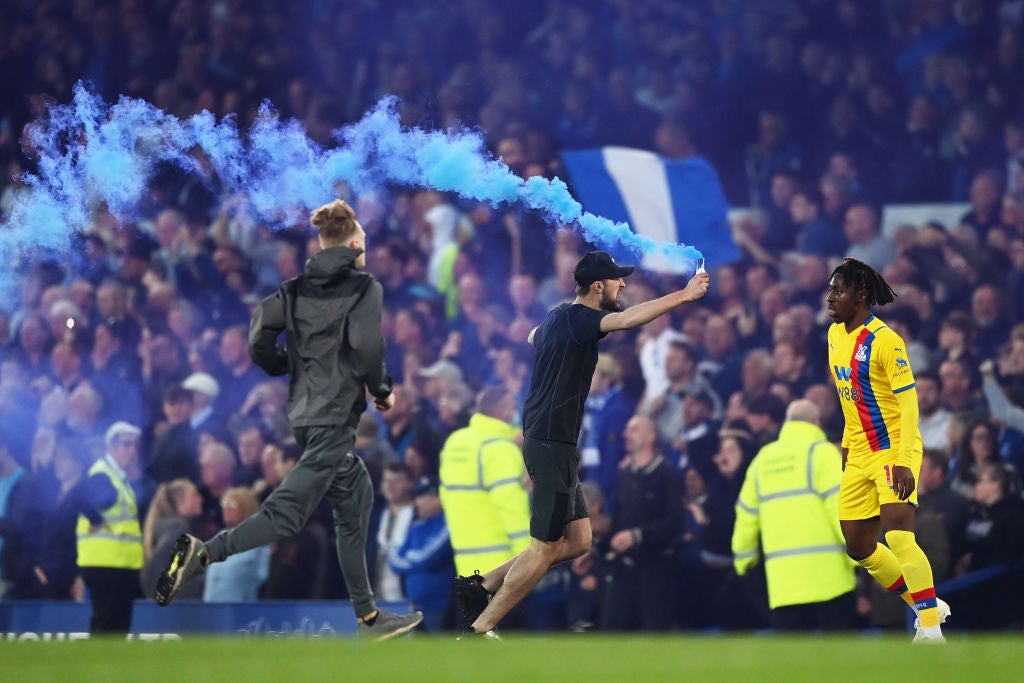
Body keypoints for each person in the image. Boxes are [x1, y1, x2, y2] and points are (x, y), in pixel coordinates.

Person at [155, 198, 423, 640]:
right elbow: (368, 346)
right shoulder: (363, 287)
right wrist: (382, 389)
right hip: (334, 416)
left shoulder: (293, 289)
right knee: (287, 515)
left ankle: (369, 618)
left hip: (304, 413)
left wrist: (286, 364)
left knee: (355, 496)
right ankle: (205, 553)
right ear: (355, 243)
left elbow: (259, 333)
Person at [454, 251, 709, 637]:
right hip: (551, 443)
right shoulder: (583, 319)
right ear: (597, 286)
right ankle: (481, 626)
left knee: (578, 541)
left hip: (552, 443)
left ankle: (482, 584)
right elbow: (626, 319)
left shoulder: (558, 316)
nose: (623, 284)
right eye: (617, 280)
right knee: (545, 547)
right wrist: (684, 295)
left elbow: (532, 335)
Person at [825, 257, 949, 642]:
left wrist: (903, 459)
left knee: (898, 536)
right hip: (859, 452)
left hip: (893, 448)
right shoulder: (834, 336)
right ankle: (925, 604)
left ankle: (930, 629)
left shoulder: (886, 342)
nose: (830, 298)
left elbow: (909, 406)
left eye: (838, 291)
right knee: (859, 547)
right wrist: (847, 441)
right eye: (830, 289)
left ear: (861, 295)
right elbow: (851, 398)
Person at [732, 399, 857, 631]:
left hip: (783, 586)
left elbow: (745, 516)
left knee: (791, 664)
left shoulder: (762, 460)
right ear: (815, 422)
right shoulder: (823, 454)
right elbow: (843, 509)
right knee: (839, 662)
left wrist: (744, 562)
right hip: (831, 581)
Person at [438, 385, 530, 628]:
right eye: (512, 407)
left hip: (465, 562)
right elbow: (512, 509)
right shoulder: (499, 449)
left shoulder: (455, 442)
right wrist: (530, 562)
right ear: (503, 410)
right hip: (502, 567)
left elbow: (447, 498)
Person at [76, 422, 145, 633]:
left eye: (134, 445)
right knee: (107, 623)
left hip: (119, 562)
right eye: (126, 444)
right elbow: (77, 496)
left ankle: (110, 666)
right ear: (110, 447)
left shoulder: (118, 478)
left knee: (118, 624)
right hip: (105, 562)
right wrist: (95, 519)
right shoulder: (102, 474)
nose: (132, 450)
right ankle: (95, 666)